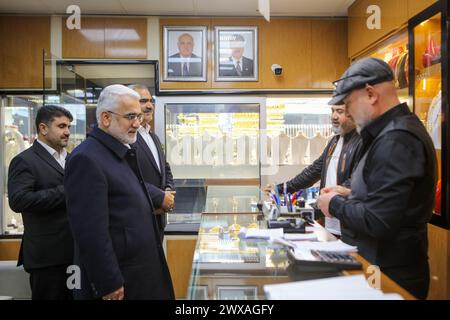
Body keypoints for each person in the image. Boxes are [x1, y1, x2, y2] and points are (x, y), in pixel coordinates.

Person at [317, 57, 437, 299]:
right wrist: (351, 193)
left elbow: (380, 221)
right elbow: (393, 200)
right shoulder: (388, 133)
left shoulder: (395, 139)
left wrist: (334, 205)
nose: (347, 111)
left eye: (348, 103)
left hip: (391, 273)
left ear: (370, 94)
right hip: (381, 266)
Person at [65, 84, 174, 300]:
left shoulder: (120, 151)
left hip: (139, 271)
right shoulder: (86, 158)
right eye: (131, 116)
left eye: (139, 117)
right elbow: (90, 232)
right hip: (121, 280)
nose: (137, 123)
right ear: (106, 118)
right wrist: (108, 281)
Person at [7, 105, 74, 300]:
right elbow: (19, 200)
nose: (67, 132)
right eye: (61, 126)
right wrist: (66, 192)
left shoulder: (73, 159)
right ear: (43, 128)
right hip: (46, 258)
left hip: (74, 254)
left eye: (68, 126)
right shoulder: (25, 161)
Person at [264, 105, 361, 234]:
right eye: (332, 111)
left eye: (340, 111)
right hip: (330, 223)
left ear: (353, 114)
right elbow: (314, 171)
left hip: (349, 224)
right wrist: (282, 189)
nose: (334, 116)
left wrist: (331, 199)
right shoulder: (334, 141)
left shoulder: (361, 142)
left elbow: (357, 181)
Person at [129, 84, 175, 241]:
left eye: (150, 101)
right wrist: (159, 198)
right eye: (143, 101)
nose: (149, 106)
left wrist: (168, 190)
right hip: (138, 221)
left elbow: (165, 168)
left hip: (158, 220)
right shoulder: (128, 138)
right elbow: (130, 177)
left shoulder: (153, 136)